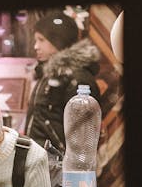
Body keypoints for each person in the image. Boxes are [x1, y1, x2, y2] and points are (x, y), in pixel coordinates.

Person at [24, 9, 101, 153]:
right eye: (35, 40)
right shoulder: (47, 74)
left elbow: (83, 137)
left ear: (58, 41)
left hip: (61, 168)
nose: (35, 46)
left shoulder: (78, 79)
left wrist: (71, 168)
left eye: (41, 40)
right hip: (41, 162)